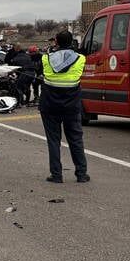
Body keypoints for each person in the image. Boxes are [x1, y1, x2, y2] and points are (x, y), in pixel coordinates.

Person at [40, 30, 89, 184]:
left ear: (56, 42)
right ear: (71, 41)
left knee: (53, 140)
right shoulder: (81, 59)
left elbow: (43, 74)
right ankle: (81, 174)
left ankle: (56, 174)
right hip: (71, 105)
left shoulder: (46, 58)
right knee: (76, 139)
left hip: (49, 104)